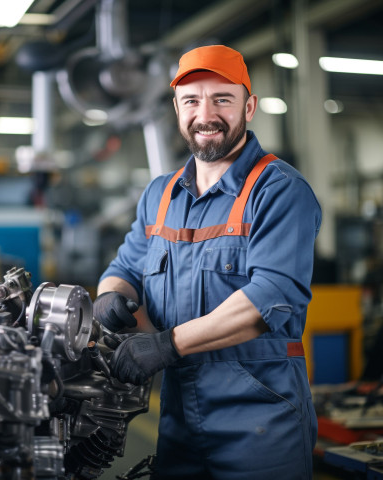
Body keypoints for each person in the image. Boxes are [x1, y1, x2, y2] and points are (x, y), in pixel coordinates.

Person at [93, 44, 322, 480]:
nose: (206, 114)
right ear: (177, 109)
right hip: (180, 417)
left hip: (260, 423)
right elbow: (123, 268)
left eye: (222, 99)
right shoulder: (160, 196)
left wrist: (165, 344)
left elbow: (267, 301)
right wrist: (111, 297)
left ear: (248, 106)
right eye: (192, 100)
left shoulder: (280, 191)